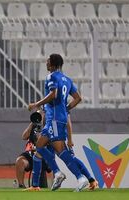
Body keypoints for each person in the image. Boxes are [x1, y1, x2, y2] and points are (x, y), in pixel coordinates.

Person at [27, 54, 89, 192]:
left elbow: (54, 94)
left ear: (53, 64)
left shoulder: (52, 76)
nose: (46, 63)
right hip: (60, 117)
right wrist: (65, 109)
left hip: (53, 118)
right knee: (60, 151)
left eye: (48, 61)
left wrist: (37, 104)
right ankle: (80, 178)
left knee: (41, 145)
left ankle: (59, 173)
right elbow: (78, 98)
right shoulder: (67, 79)